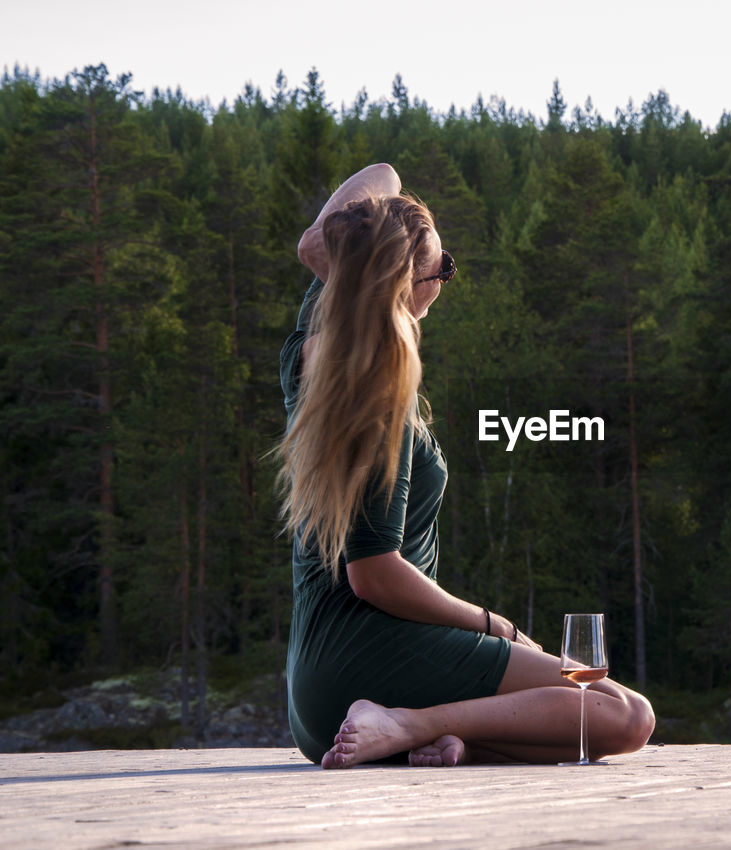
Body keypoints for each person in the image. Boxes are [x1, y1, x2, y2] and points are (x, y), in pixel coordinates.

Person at [277, 163, 654, 768]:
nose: (446, 276)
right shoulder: (378, 399)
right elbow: (372, 573)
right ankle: (409, 722)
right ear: (407, 288)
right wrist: (490, 623)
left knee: (582, 704)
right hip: (378, 651)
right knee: (623, 712)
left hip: (315, 698)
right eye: (442, 267)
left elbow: (370, 186)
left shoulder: (311, 355)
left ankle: (440, 734)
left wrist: (364, 245)